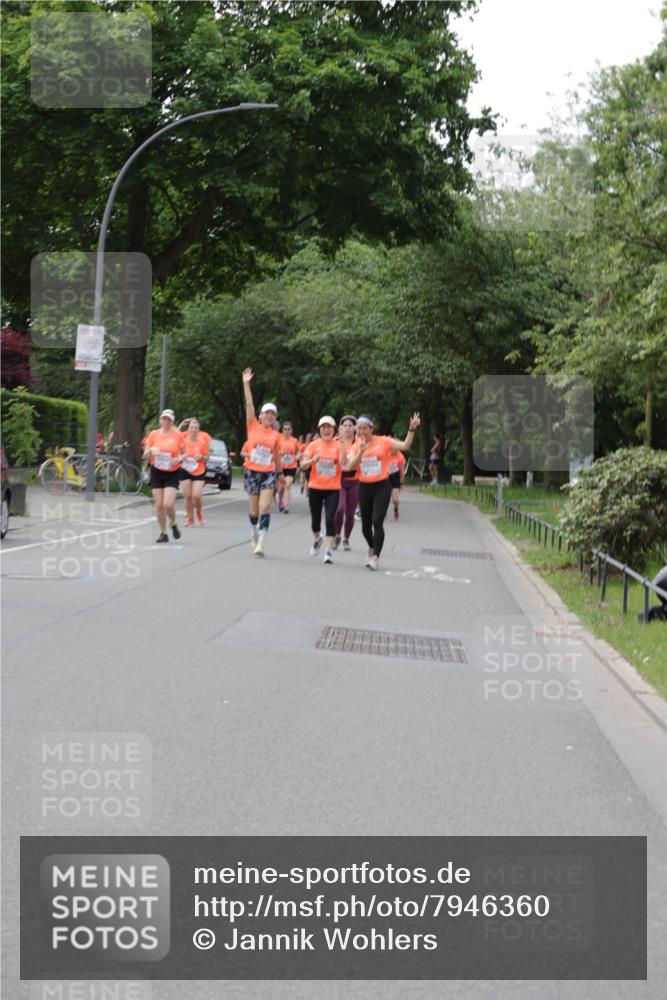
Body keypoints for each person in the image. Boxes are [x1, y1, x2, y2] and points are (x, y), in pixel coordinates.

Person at [347, 413, 420, 570]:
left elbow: (406, 445)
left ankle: (375, 557)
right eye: (358, 429)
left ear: (371, 429)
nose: (360, 432)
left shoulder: (384, 441)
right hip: (364, 487)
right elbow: (351, 466)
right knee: (365, 526)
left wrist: (411, 429)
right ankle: (372, 546)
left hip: (381, 486)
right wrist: (360, 452)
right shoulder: (355, 445)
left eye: (364, 428)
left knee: (377, 521)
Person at [242, 368, 284, 556]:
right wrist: (246, 384)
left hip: (268, 473)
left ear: (275, 418)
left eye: (272, 414)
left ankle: (261, 544)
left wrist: (280, 474)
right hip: (251, 471)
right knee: (254, 511)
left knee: (264, 507)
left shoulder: (276, 435)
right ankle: (253, 534)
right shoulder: (252, 427)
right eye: (266, 413)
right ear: (260, 416)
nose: (268, 416)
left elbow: (276, 456)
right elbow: (249, 404)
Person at [300, 416, 347, 564]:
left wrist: (344, 445)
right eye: (323, 427)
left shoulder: (339, 445)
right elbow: (302, 465)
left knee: (330, 519)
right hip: (315, 487)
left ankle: (328, 552)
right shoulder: (313, 445)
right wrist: (312, 460)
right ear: (319, 430)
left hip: (333, 488)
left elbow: (343, 462)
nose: (326, 430)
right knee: (315, 522)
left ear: (334, 430)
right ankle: (318, 539)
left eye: (329, 427)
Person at [142, 409, 184, 543]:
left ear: (172, 421)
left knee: (168, 504)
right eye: (164, 418)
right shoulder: (153, 434)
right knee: (159, 505)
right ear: (160, 420)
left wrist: (178, 459)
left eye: (169, 419)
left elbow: (185, 453)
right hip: (157, 471)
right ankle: (163, 533)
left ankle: (173, 523)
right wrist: (150, 450)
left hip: (172, 472)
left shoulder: (177, 435)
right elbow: (145, 455)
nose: (166, 421)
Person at [333, 415, 359, 551]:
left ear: (355, 428)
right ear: (340, 428)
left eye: (350, 425)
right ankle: (337, 535)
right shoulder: (335, 441)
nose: (348, 428)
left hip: (355, 481)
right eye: (345, 425)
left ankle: (346, 539)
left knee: (350, 514)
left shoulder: (360, 442)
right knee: (340, 509)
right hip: (339, 481)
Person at [179, 417, 211, 526]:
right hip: (185, 469)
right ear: (188, 429)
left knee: (196, 495)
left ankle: (199, 513)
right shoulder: (183, 440)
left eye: (196, 428)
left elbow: (207, 457)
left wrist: (201, 456)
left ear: (198, 430)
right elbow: (174, 437)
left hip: (199, 469)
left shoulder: (202, 442)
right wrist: (182, 457)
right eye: (191, 428)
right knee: (188, 496)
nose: (193, 430)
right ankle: (190, 518)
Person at [278, 421, 299, 512]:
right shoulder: (278, 440)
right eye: (285, 429)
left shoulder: (294, 440)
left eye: (288, 429)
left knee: (288, 484)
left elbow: (298, 452)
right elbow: (273, 452)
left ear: (291, 430)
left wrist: (297, 457)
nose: (286, 431)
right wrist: (281, 452)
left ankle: (286, 505)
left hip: (291, 466)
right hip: (281, 466)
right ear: (282, 430)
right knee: (281, 488)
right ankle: (280, 501)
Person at [388, 447, 406, 520]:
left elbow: (402, 472)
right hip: (385, 477)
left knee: (395, 499)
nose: (394, 450)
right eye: (392, 447)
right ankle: (383, 512)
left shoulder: (400, 457)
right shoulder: (385, 454)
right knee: (384, 498)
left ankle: (396, 510)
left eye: (396, 448)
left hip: (395, 477)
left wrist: (401, 483)